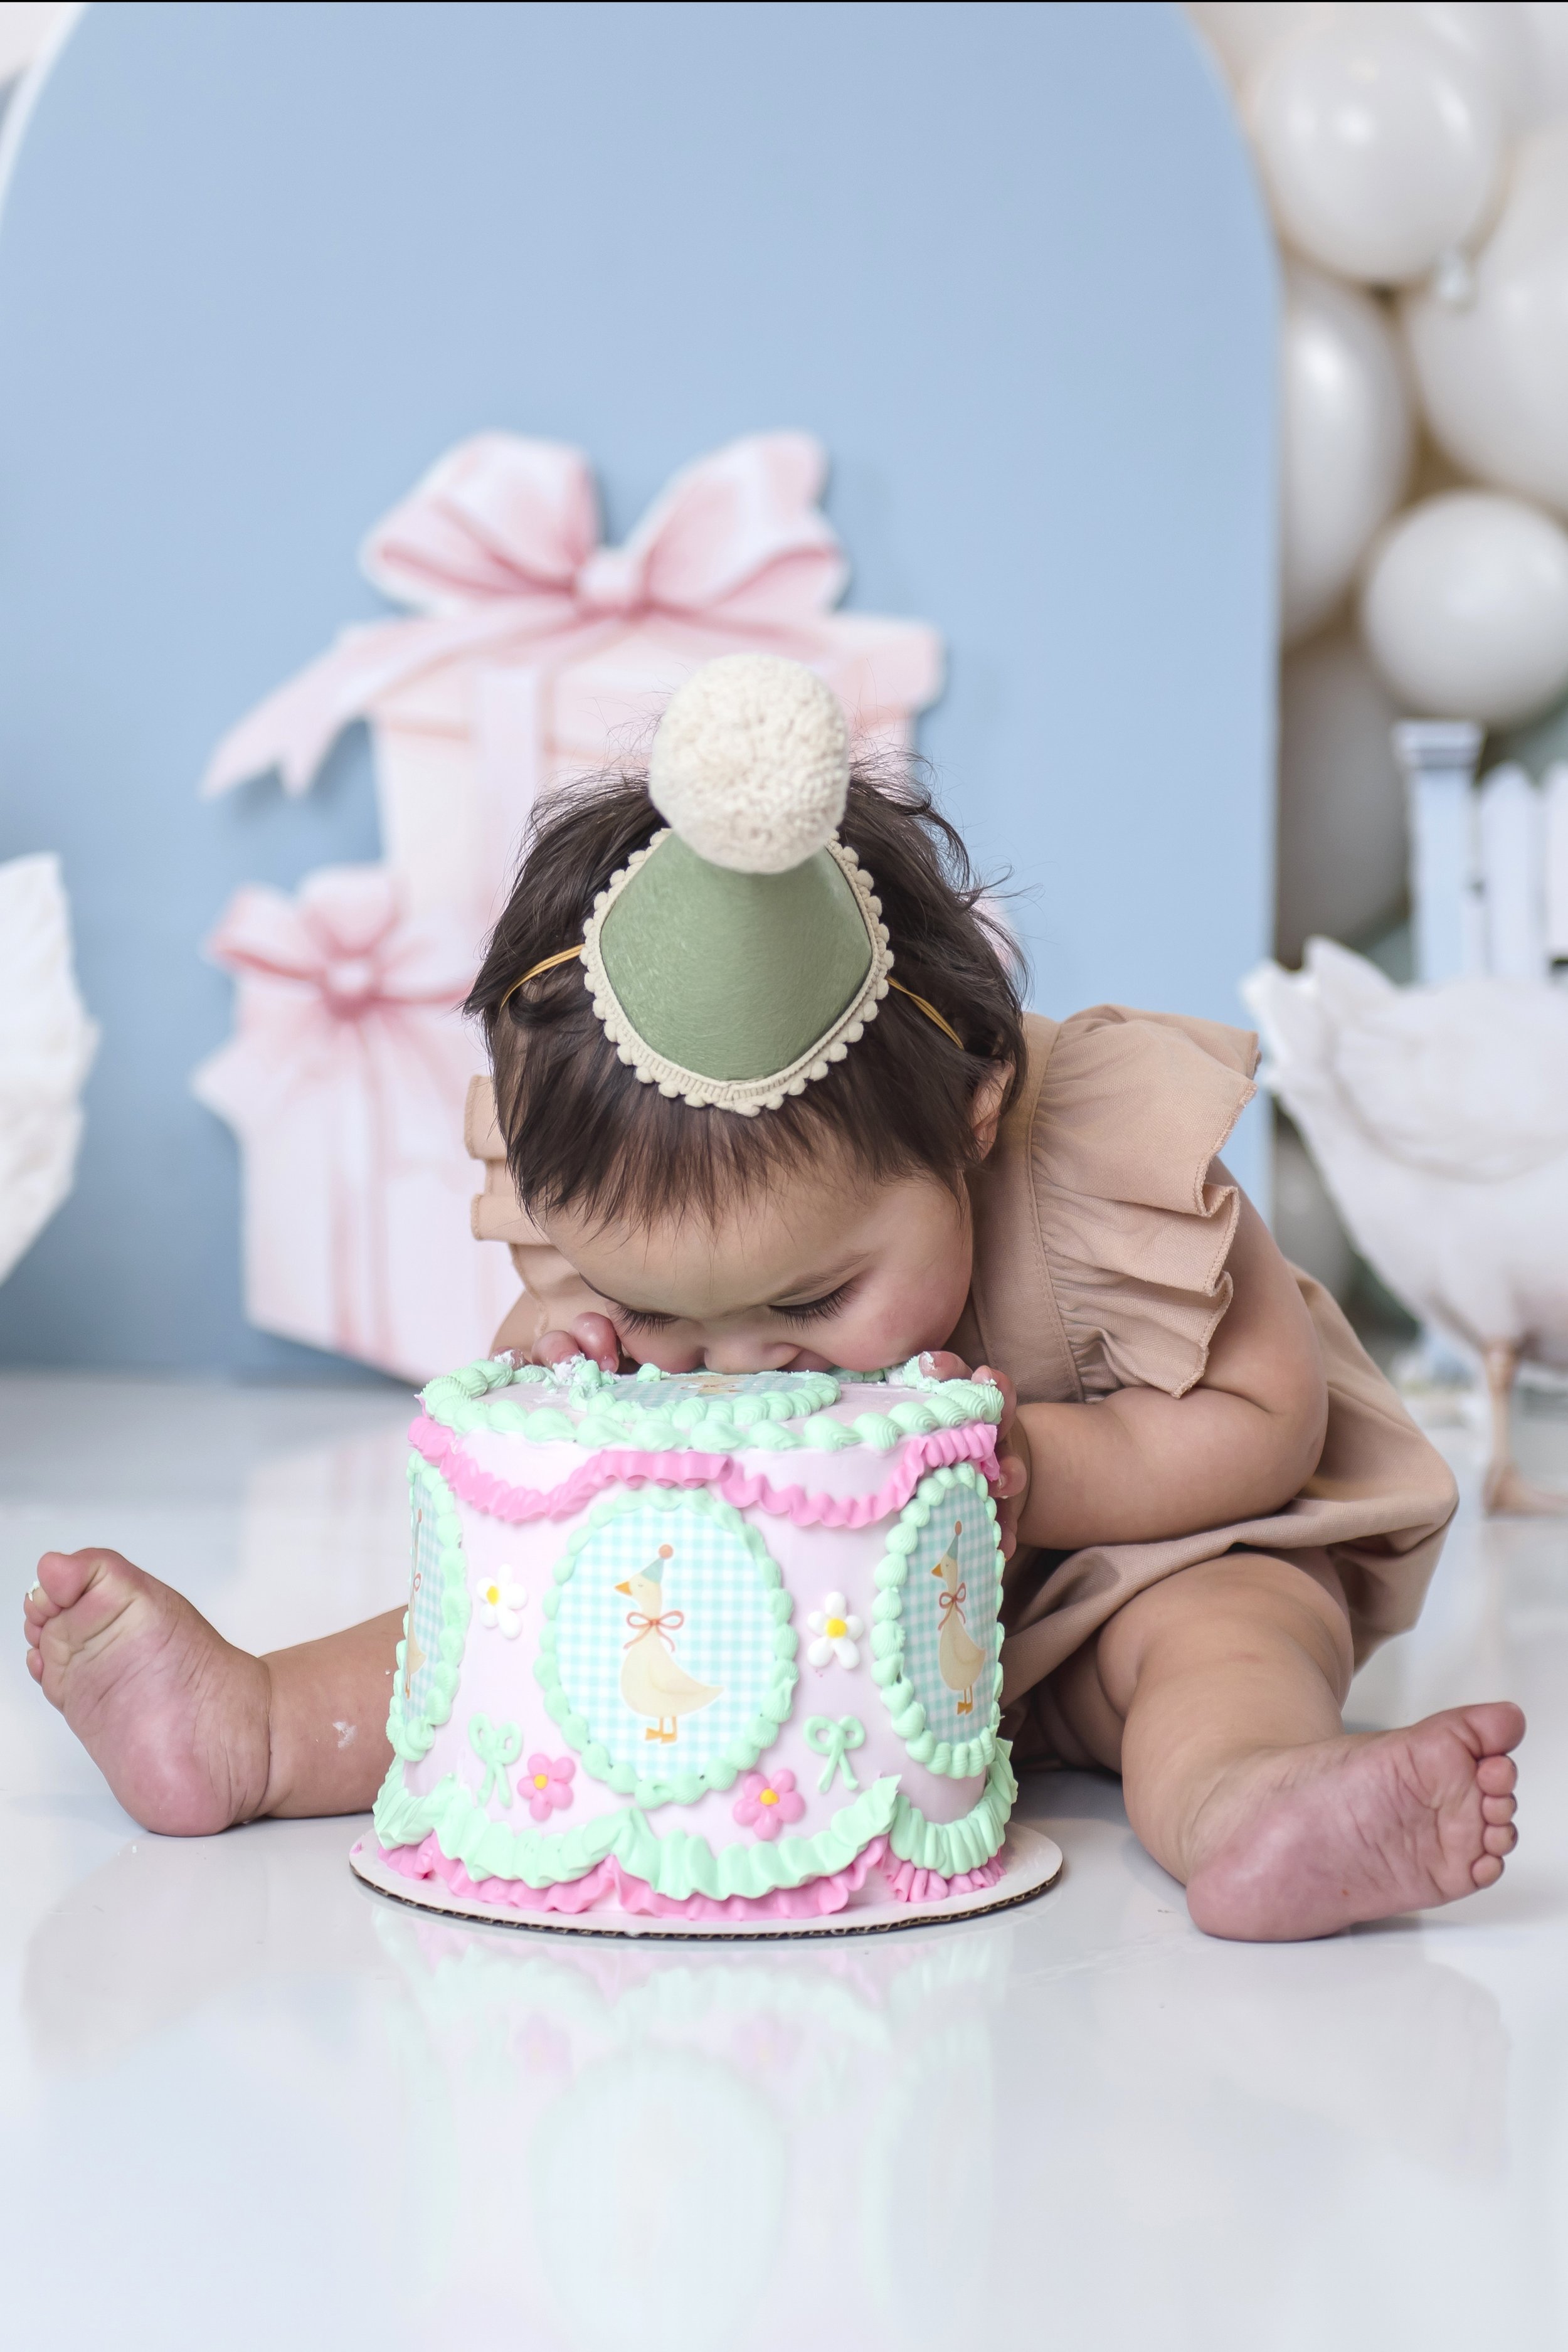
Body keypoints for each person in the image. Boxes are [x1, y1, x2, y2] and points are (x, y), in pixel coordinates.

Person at [23, 655, 1522, 1941]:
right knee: (513, 1634)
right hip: (791, 1640)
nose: (732, 1369)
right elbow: (546, 1369)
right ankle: (264, 1727)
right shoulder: (633, 1211)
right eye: (658, 1316)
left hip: (1118, 1570)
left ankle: (1245, 1803)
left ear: (976, 1115)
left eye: (808, 1299)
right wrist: (562, 1356)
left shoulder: (1100, 1152)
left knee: (1221, 1640)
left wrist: (1053, 1473)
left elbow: (1271, 1417)